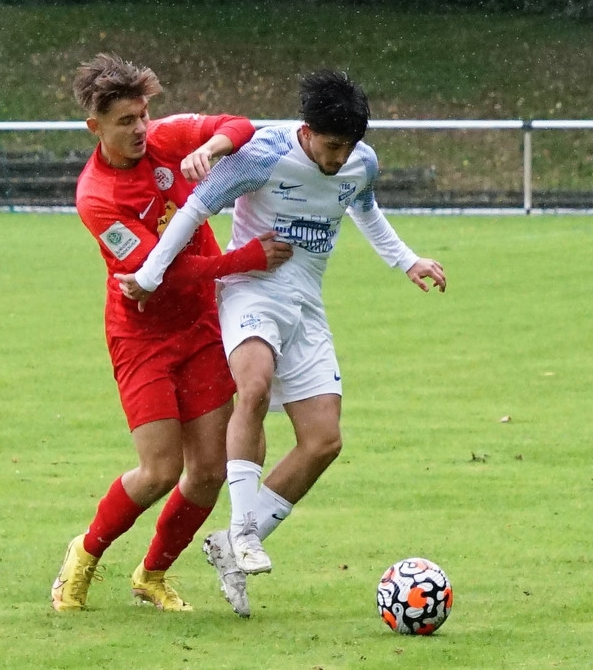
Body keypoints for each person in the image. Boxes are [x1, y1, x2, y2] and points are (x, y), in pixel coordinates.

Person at [117, 69, 447, 615]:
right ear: (307, 131)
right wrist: (150, 276)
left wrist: (406, 260)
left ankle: (231, 546)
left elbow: (364, 208)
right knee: (254, 386)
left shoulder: (361, 162)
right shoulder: (262, 155)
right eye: (332, 146)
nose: (340, 158)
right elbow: (195, 208)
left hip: (306, 305)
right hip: (250, 289)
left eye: (349, 147)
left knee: (323, 441)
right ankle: (243, 528)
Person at [51, 53, 293, 614]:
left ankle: (153, 574)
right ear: (95, 127)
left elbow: (239, 124)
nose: (140, 129)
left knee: (208, 471)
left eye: (142, 115)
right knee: (160, 470)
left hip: (201, 325)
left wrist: (215, 147)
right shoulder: (97, 197)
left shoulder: (165, 136)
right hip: (142, 336)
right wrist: (246, 258)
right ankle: (84, 554)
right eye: (125, 121)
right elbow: (159, 273)